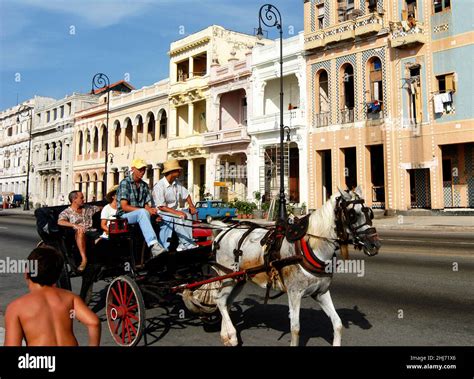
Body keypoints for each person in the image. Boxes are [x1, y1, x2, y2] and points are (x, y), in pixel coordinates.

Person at [4, 246, 101, 346]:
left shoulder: (16, 307)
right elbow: (94, 322)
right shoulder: (70, 297)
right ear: (58, 275)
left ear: (26, 272)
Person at [116, 158, 165, 257]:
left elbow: (146, 205)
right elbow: (124, 206)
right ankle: (153, 245)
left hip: (141, 214)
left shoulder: (144, 185)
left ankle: (165, 246)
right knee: (142, 213)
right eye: (140, 169)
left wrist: (151, 210)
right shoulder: (125, 183)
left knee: (161, 217)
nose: (142, 172)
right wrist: (144, 210)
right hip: (124, 216)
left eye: (144, 169)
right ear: (133, 169)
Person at [153, 159, 198, 251]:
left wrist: (191, 206)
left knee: (188, 215)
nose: (180, 171)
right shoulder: (159, 186)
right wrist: (177, 212)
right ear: (171, 172)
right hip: (161, 212)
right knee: (178, 217)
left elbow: (186, 194)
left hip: (173, 211)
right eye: (178, 170)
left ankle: (183, 244)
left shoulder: (176, 182)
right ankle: (187, 243)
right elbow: (161, 206)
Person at [58, 191, 102, 272]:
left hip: (93, 232)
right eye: (81, 198)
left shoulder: (88, 208)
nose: (83, 200)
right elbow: (60, 221)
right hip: (79, 234)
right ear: (74, 199)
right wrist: (75, 225)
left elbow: (100, 208)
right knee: (80, 231)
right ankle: (84, 259)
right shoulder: (67, 212)